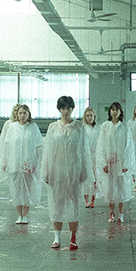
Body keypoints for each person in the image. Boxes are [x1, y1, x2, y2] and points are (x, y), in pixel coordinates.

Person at [42, 95, 93, 250]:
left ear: (72, 109)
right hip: (56, 170)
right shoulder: (53, 127)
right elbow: (47, 151)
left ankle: (73, 237)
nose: (66, 111)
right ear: (59, 109)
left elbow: (84, 151)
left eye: (69, 108)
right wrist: (46, 171)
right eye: (63, 108)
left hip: (73, 170)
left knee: (73, 203)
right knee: (57, 203)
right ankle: (56, 238)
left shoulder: (79, 127)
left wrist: (85, 171)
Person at [0, 104, 42, 224]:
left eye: (24, 113)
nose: (22, 115)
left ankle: (25, 215)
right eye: (20, 113)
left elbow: (39, 145)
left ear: (29, 114)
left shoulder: (33, 127)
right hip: (14, 163)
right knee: (16, 190)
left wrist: (40, 160)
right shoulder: (12, 127)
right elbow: (6, 145)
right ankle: (19, 215)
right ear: (16, 115)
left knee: (28, 189)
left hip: (29, 163)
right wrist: (4, 161)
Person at [96, 101, 134, 222]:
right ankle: (111, 213)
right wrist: (103, 163)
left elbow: (129, 145)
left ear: (120, 112)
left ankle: (120, 213)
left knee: (121, 188)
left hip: (121, 163)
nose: (114, 112)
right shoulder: (105, 126)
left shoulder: (124, 126)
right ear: (110, 112)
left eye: (117, 109)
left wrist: (126, 163)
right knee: (110, 188)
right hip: (109, 163)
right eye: (112, 109)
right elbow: (101, 145)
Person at [81, 106, 100, 209]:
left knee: (95, 178)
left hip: (95, 156)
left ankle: (93, 199)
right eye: (87, 115)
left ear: (94, 116)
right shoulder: (82, 128)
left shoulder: (97, 128)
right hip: (86, 156)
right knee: (87, 178)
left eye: (91, 115)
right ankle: (86, 200)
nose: (89, 117)